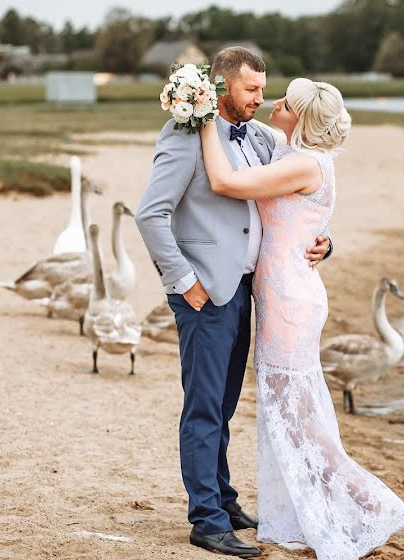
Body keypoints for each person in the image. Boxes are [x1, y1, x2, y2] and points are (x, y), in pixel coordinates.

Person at [198, 78, 404, 559]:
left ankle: (368, 506)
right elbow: (309, 219)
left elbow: (226, 183)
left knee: (296, 416)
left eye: (287, 103)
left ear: (301, 119)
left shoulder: (302, 162)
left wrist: (201, 123)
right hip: (290, 294)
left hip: (290, 302)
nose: (276, 103)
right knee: (295, 412)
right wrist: (326, 240)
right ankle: (312, 510)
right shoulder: (299, 153)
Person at [135, 46, 332, 557]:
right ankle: (205, 520)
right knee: (203, 407)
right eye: (252, 90)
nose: (261, 101)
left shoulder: (264, 138)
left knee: (223, 405)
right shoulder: (183, 137)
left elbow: (301, 195)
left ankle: (223, 499)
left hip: (247, 290)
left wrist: (325, 242)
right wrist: (184, 282)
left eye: (264, 90)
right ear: (221, 88)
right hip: (205, 294)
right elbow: (150, 215)